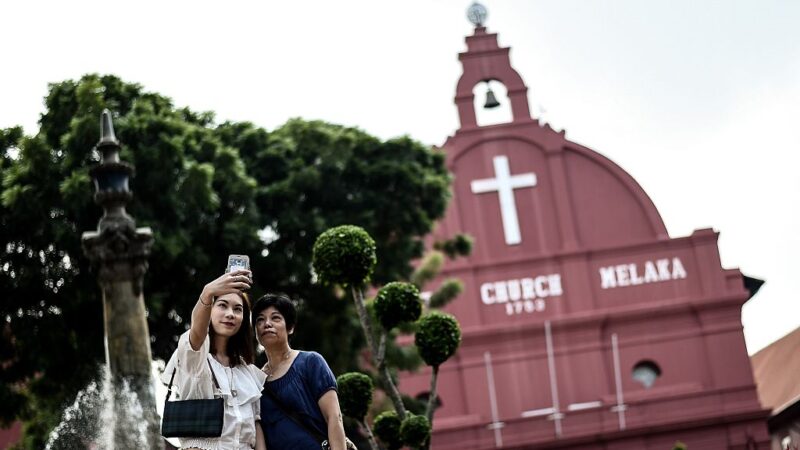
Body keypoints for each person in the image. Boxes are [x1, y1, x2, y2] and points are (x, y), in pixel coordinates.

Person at [161, 270, 267, 450]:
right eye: (223, 306)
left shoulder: (246, 370)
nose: (230, 314)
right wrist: (208, 292)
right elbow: (197, 331)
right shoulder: (195, 357)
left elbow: (256, 426)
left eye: (237, 309)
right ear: (210, 310)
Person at [253, 294, 348, 450]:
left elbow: (334, 417)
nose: (267, 324)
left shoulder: (310, 362)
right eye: (260, 320)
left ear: (290, 328)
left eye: (275, 318)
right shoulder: (256, 381)